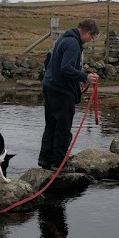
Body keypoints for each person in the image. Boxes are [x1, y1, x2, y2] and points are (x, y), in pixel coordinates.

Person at [38, 18, 100, 169]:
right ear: (88, 33)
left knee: (51, 124)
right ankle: (58, 162)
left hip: (50, 85)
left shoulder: (63, 39)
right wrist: (85, 77)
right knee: (63, 127)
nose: (90, 40)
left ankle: (45, 159)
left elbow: (50, 61)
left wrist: (77, 82)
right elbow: (66, 67)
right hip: (61, 90)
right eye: (92, 37)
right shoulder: (73, 44)